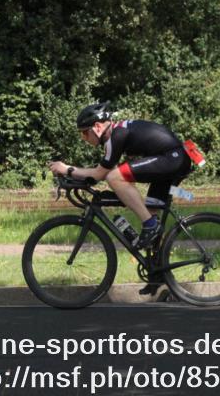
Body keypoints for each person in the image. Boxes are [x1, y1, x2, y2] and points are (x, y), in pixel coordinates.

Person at [48, 102, 191, 295]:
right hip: (173, 157)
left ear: (97, 127)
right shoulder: (115, 136)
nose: (83, 138)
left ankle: (150, 225)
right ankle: (158, 274)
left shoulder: (116, 136)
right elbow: (101, 173)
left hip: (173, 158)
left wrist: (67, 169)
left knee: (115, 177)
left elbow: (99, 175)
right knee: (149, 212)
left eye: (84, 133)